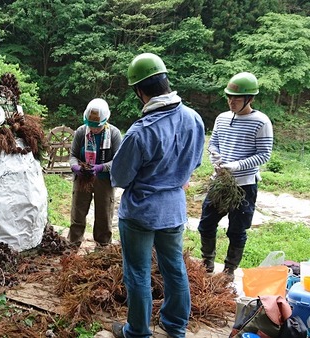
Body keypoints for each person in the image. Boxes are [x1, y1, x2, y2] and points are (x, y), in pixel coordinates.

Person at [110, 53, 205, 338]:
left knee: (138, 272)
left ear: (140, 91)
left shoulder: (140, 132)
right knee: (174, 267)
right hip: (174, 209)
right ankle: (176, 327)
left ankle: (138, 331)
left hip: (141, 212)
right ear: (166, 82)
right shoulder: (194, 119)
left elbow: (120, 177)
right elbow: (194, 163)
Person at [198, 72, 273, 277]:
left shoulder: (261, 122)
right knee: (206, 223)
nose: (231, 101)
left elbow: (264, 154)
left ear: (249, 98)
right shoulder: (222, 118)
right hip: (220, 182)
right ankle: (207, 264)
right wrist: (215, 157)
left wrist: (236, 166)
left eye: (236, 98)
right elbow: (213, 143)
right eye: (229, 97)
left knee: (237, 229)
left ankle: (229, 270)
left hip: (245, 185)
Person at [68, 98, 122, 248]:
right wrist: (75, 167)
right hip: (82, 178)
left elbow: (118, 161)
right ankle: (72, 245)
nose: (93, 129)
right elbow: (72, 155)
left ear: (106, 120)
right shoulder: (80, 132)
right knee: (78, 213)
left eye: (97, 127)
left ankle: (102, 247)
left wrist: (101, 167)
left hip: (104, 181)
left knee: (103, 216)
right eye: (90, 126)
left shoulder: (114, 134)